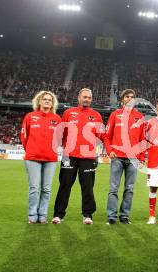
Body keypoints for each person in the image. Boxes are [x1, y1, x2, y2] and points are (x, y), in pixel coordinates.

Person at [52, 88, 104, 225]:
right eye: (84, 97)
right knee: (65, 185)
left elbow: (101, 137)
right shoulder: (68, 113)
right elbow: (61, 133)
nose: (87, 99)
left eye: (89, 97)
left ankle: (88, 215)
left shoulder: (97, 116)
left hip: (88, 157)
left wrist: (96, 154)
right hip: (69, 156)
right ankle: (58, 214)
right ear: (79, 97)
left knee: (88, 187)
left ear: (91, 99)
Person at [104, 89, 146, 225]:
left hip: (133, 159)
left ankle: (124, 216)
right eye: (127, 96)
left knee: (129, 189)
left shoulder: (139, 117)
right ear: (122, 100)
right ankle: (111, 216)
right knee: (113, 188)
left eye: (132, 97)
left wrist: (141, 157)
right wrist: (109, 150)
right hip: (117, 157)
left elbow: (142, 139)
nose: (130, 99)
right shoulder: (115, 115)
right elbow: (107, 136)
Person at [20, 90, 61, 224]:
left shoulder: (57, 119)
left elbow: (60, 139)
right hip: (33, 158)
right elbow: (24, 137)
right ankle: (32, 215)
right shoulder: (30, 117)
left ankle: (42, 215)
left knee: (46, 189)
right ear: (39, 101)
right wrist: (31, 150)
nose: (47, 101)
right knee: (34, 188)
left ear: (52, 103)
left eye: (50, 100)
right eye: (45, 99)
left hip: (50, 159)